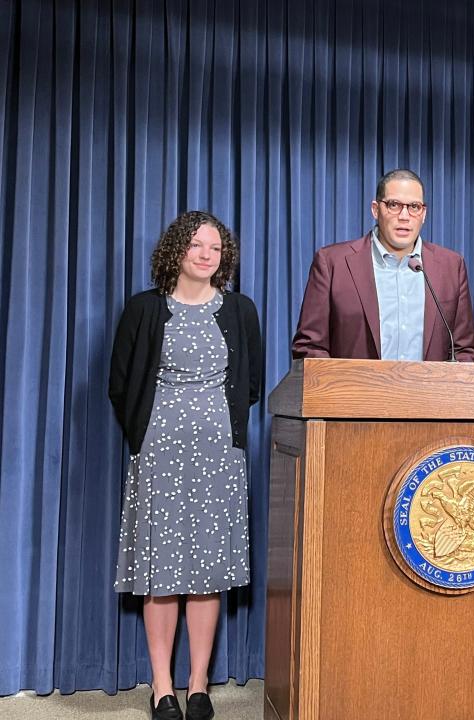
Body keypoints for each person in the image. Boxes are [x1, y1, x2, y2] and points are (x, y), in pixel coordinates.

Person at [109, 211, 262, 720]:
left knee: (206, 573)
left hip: (221, 455)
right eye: (196, 244)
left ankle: (198, 686)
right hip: (159, 454)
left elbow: (252, 383)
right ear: (175, 250)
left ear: (224, 259)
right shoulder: (144, 309)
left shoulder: (240, 310)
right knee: (162, 573)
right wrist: (146, 435)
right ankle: (162, 687)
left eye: (215, 248)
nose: (205, 254)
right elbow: (121, 382)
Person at [291, 168, 474, 361]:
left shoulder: (450, 266)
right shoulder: (333, 263)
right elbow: (309, 347)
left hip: (428, 391)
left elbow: (463, 351)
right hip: (353, 390)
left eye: (414, 207)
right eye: (394, 205)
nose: (404, 216)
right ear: (375, 209)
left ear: (424, 214)